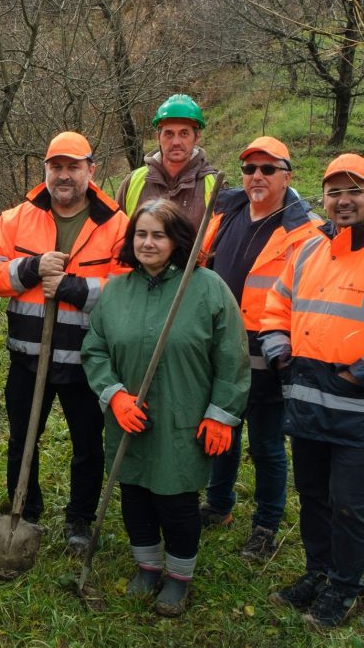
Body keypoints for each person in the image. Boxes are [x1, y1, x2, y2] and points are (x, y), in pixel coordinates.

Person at [82, 199, 249, 617]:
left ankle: (179, 576)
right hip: (129, 419)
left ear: (177, 240)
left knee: (175, 501)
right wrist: (114, 395)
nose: (148, 243)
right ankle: (147, 566)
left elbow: (232, 357)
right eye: (141, 234)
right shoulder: (117, 291)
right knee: (135, 493)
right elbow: (95, 351)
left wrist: (221, 413)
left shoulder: (208, 289)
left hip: (184, 415)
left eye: (159, 234)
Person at [0, 132, 128, 552]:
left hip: (87, 361)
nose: (63, 175)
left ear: (90, 170)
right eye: (56, 167)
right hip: (29, 357)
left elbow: (125, 288)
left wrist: (72, 288)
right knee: (22, 438)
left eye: (73, 166)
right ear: (45, 169)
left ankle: (79, 519)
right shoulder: (16, 218)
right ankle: (24, 509)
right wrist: (29, 268)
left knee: (86, 444)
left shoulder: (116, 224)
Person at [262, 153, 364, 630]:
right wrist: (279, 352)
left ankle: (344, 587)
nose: (343, 200)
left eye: (354, 190)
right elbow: (277, 305)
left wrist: (359, 375)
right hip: (308, 401)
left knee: (350, 504)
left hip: (363, 411)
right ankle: (317, 572)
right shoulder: (310, 249)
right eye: (335, 191)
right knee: (313, 494)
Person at [199, 136, 320, 561]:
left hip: (269, 358)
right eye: (250, 169)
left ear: (288, 175)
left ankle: (266, 525)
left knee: (267, 446)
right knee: (222, 432)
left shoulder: (305, 232)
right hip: (223, 349)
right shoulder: (227, 210)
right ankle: (218, 505)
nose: (257, 177)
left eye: (268, 169)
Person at [116, 94, 219, 229]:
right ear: (158, 137)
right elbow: (115, 237)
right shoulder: (133, 183)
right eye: (169, 134)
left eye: (184, 133)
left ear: (197, 137)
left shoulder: (215, 186)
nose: (176, 142)